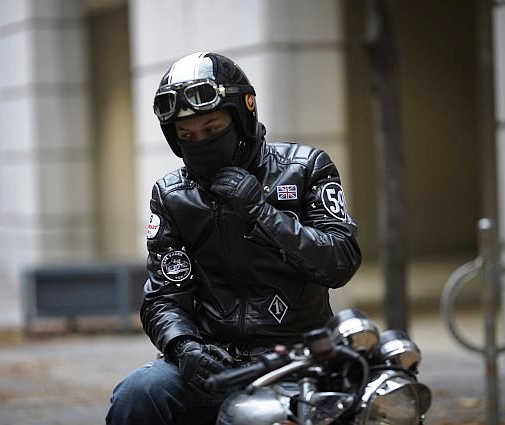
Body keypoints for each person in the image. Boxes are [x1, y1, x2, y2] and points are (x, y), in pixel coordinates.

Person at [106, 51, 362, 425]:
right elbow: (163, 297)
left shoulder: (305, 168)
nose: (200, 142)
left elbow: (340, 261)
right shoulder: (172, 196)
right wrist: (184, 346)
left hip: (298, 360)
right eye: (187, 136)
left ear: (242, 117)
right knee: (137, 394)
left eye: (212, 130)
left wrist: (261, 212)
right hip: (213, 361)